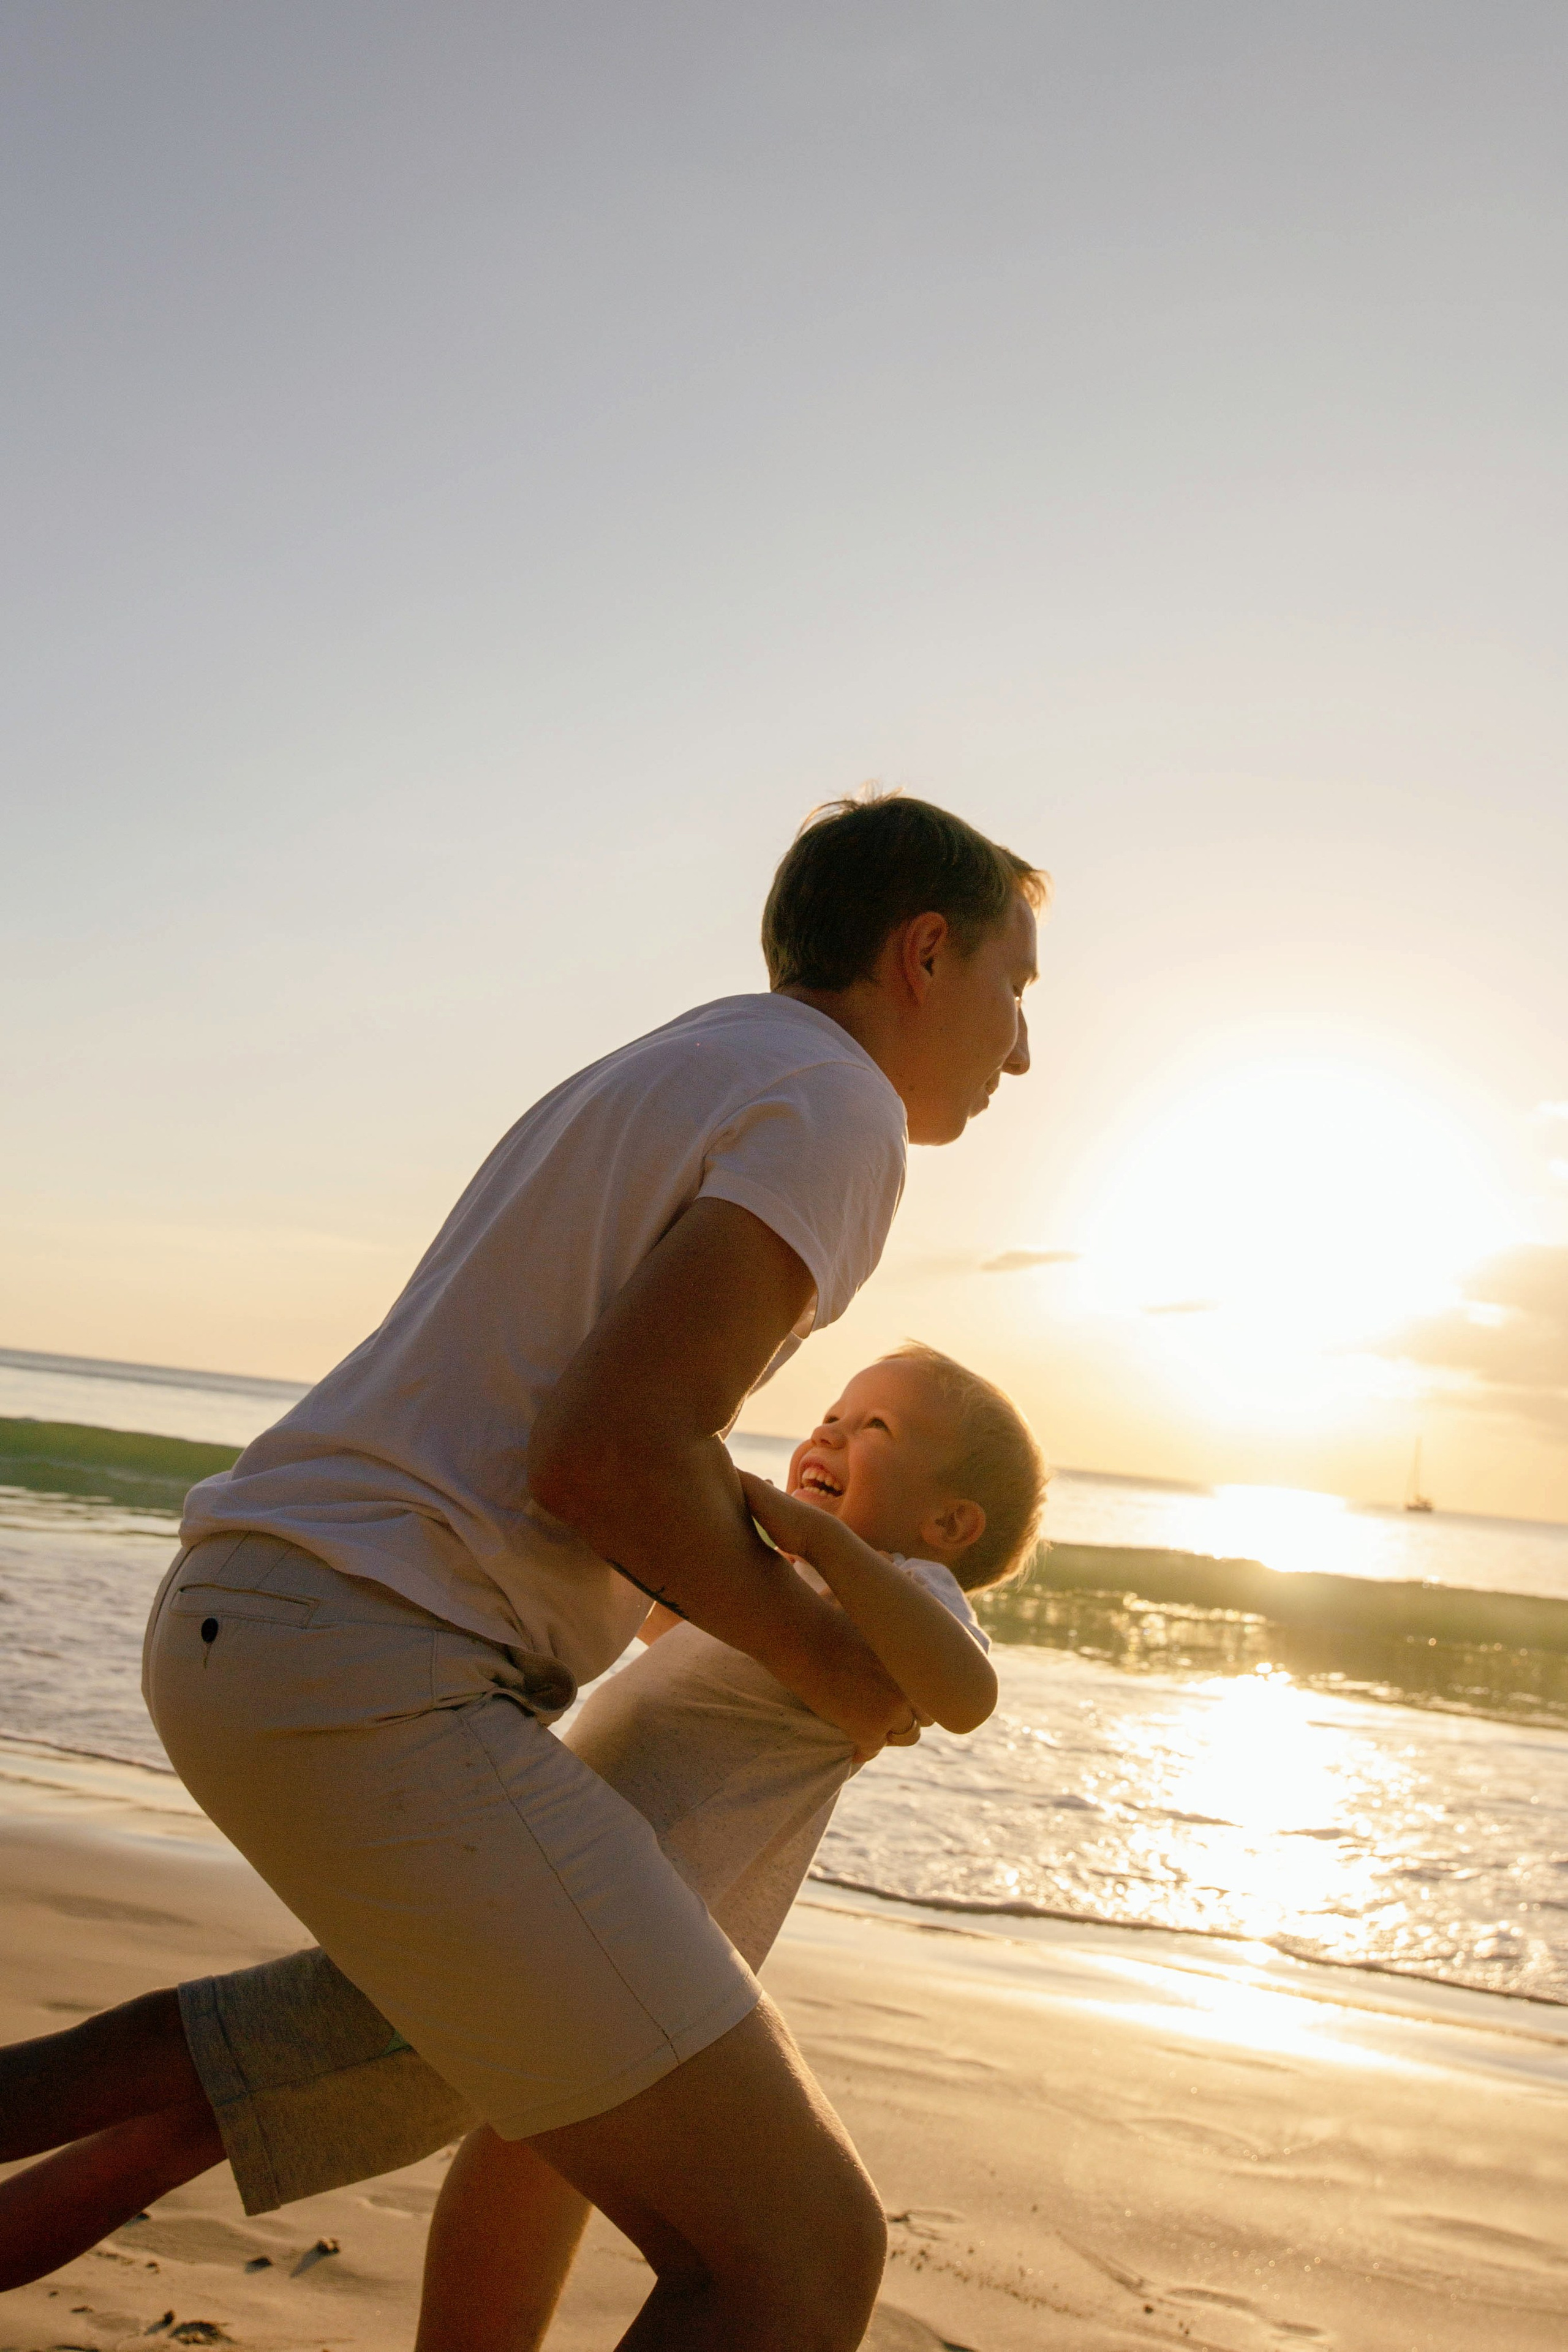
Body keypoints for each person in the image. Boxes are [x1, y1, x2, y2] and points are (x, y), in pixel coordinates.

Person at [57, 794, 1044, 2351]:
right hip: (376, 1658)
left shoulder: (672, 1062)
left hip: (273, 1611)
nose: (1020, 1051)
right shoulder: (836, 1107)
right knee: (798, 2252)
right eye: (1015, 989)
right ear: (924, 953)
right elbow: (602, 1457)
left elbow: (609, 1451)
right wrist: (828, 1657)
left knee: (249, 2073)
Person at [1, 1343, 1046, 2352]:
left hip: (576, 1949)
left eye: (878, 1427)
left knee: (200, 2093)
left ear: (948, 1522)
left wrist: (822, 1545)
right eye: (834, 1410)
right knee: (200, 2086)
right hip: (535, 1933)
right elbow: (648, 1600)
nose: (831, 1429)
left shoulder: (907, 1601)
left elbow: (968, 1690)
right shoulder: (780, 1598)